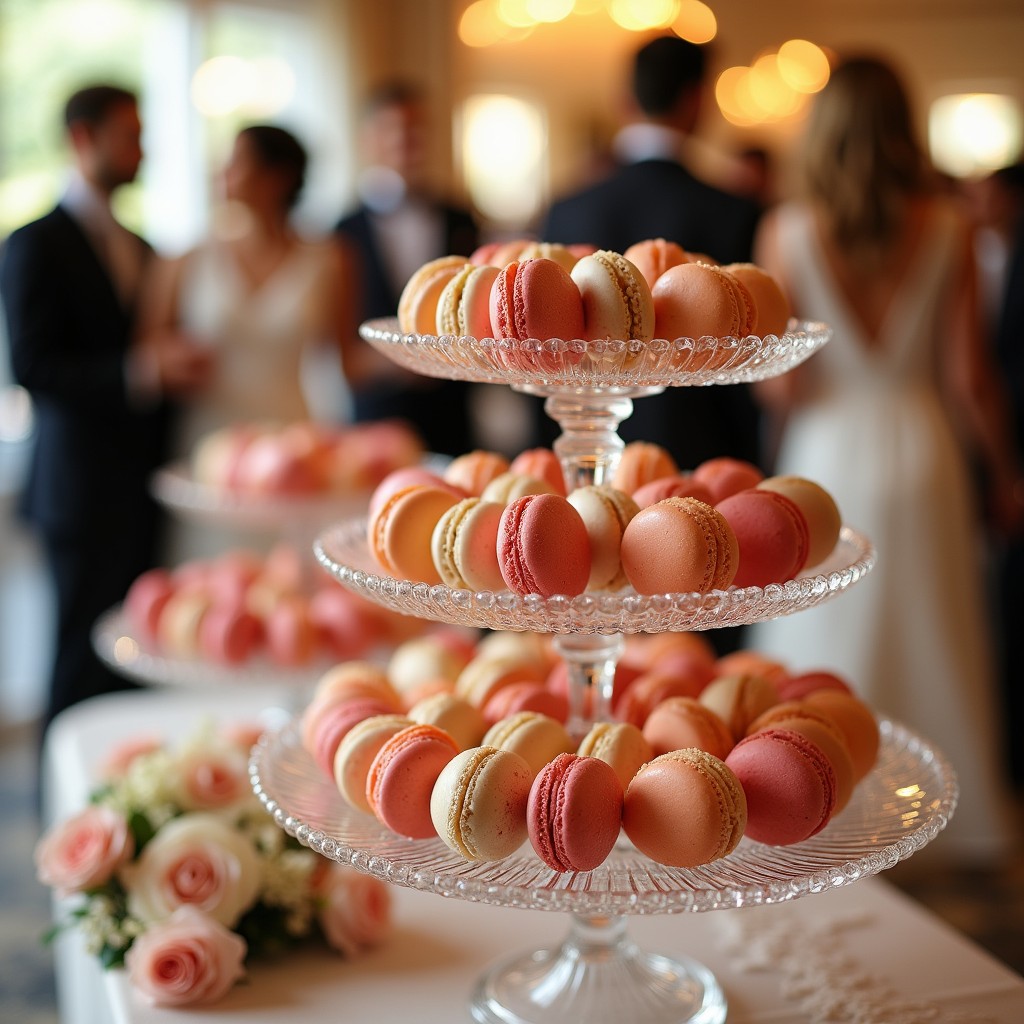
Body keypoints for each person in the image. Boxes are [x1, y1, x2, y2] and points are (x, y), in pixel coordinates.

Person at [747, 57, 1024, 862]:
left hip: (827, 452)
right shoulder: (950, 227)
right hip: (924, 444)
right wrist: (1005, 471)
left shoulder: (787, 230)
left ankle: (811, 805)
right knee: (933, 624)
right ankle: (941, 821)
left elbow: (784, 388)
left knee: (824, 631)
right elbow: (970, 378)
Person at [0, 84, 209, 735]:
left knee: (135, 659)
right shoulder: (33, 242)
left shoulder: (143, 246)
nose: (141, 150)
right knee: (75, 660)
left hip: (142, 483)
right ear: (82, 139)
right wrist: (141, 370)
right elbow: (32, 367)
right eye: (129, 135)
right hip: (78, 488)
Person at [540, 34, 763, 474]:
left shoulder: (567, 208)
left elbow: (544, 351)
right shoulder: (734, 211)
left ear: (625, 101)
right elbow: (746, 354)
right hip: (700, 456)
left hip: (580, 453)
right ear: (696, 100)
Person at [140, 124, 354, 455]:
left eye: (237, 161)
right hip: (207, 442)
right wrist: (173, 361)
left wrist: (422, 352)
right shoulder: (186, 259)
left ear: (277, 177)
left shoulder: (330, 259)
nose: (222, 171)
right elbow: (149, 350)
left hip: (292, 442)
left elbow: (349, 360)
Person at [334, 80, 481, 458]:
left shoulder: (460, 219)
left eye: (415, 129)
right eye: (392, 128)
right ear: (369, 138)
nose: (405, 139)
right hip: (376, 418)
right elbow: (338, 341)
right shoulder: (342, 231)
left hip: (451, 414)